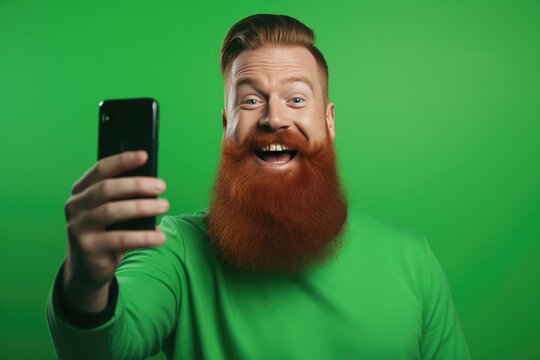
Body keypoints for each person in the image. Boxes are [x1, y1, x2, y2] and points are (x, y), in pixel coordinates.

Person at [47, 14, 471, 359]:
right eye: (250, 100)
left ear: (329, 122)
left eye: (297, 99)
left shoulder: (413, 262)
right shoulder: (176, 252)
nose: (273, 118)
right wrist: (86, 280)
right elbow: (102, 349)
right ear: (226, 125)